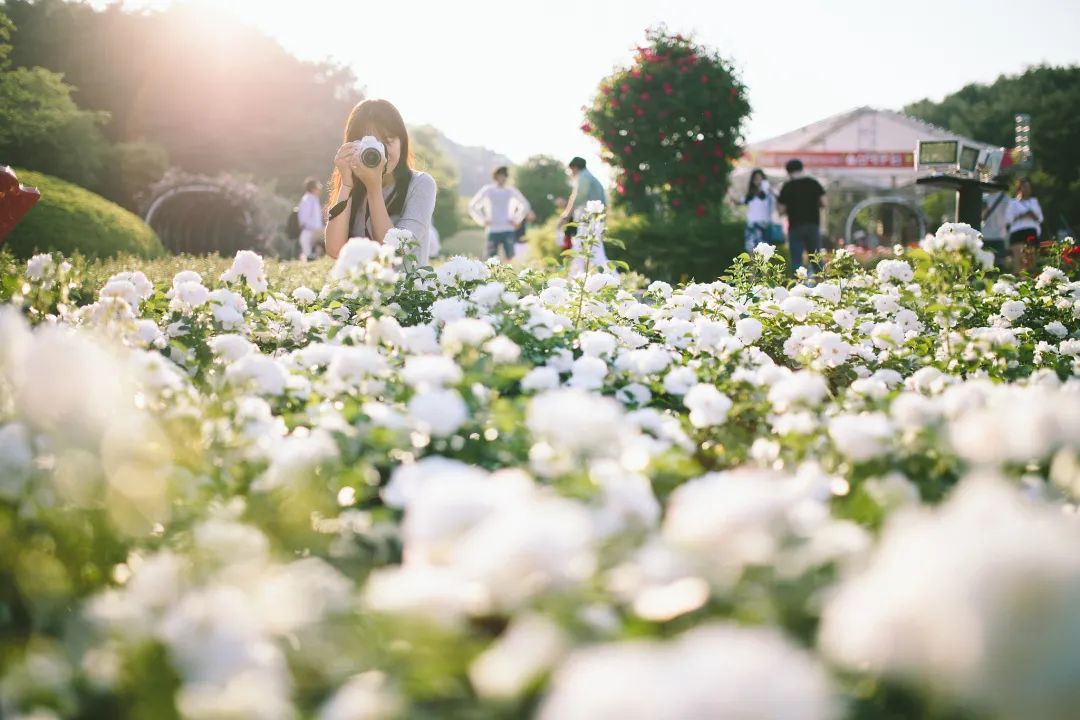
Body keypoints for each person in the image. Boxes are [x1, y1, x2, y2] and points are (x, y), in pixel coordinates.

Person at [324, 99, 437, 264]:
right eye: (369, 145)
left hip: (405, 289)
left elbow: (395, 250)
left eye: (387, 142)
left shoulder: (421, 184)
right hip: (362, 289)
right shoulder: (354, 188)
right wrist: (346, 184)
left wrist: (373, 188)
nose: (379, 152)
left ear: (401, 142)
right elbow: (335, 250)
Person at [469, 166, 532, 260]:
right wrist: (483, 220)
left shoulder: (510, 191)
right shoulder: (488, 190)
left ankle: (510, 275)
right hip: (493, 229)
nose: (502, 178)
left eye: (504, 176)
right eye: (500, 175)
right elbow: (472, 206)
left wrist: (516, 219)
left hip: (508, 229)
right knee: (490, 259)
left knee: (510, 257)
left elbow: (525, 205)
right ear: (495, 176)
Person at [777, 158, 826, 273]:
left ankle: (798, 288)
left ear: (788, 172)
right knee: (816, 258)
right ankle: (823, 286)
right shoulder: (813, 183)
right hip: (812, 225)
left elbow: (781, 210)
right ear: (802, 169)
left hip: (795, 227)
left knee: (796, 261)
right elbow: (824, 203)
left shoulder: (787, 187)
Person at [1005, 177, 1043, 273]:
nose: (1027, 189)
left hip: (1031, 231)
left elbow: (1040, 218)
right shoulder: (1013, 203)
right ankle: (1017, 283)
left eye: (1028, 187)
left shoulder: (1034, 201)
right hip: (1018, 232)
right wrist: (1022, 215)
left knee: (1031, 260)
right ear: (1019, 189)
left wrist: (1033, 215)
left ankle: (1029, 283)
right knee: (1018, 260)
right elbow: (1008, 219)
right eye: (1024, 187)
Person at [742, 169, 774, 252]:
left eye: (760, 178)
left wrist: (767, 188)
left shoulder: (768, 192)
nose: (758, 181)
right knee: (751, 251)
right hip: (752, 225)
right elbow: (740, 201)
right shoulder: (750, 194)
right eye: (756, 178)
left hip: (764, 225)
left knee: (765, 255)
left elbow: (777, 199)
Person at [297, 177, 323, 261]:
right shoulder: (307, 200)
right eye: (318, 187)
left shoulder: (314, 199)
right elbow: (304, 221)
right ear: (313, 189)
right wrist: (317, 230)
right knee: (309, 259)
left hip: (314, 234)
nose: (320, 189)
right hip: (308, 234)